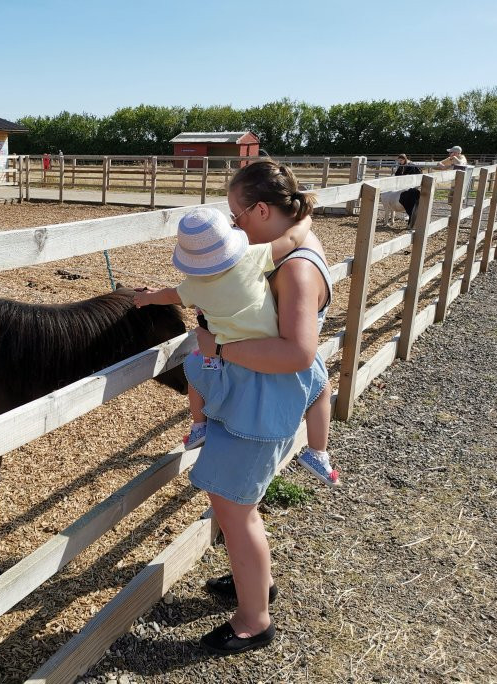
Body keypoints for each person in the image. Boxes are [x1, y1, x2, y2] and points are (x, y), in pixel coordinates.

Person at [189, 160, 334, 655]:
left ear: (264, 209)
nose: (235, 226)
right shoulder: (296, 243)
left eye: (238, 215)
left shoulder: (295, 268)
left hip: (261, 407)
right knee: (235, 504)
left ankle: (253, 620)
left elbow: (298, 351)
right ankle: (255, 584)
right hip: (261, 401)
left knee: (236, 511)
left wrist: (220, 350)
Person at [132, 208, 339, 490]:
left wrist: (147, 299)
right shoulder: (252, 258)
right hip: (267, 342)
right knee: (320, 388)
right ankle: (317, 452)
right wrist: (305, 218)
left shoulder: (193, 286)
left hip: (224, 347)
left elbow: (170, 295)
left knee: (194, 371)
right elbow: (291, 240)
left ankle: (198, 425)